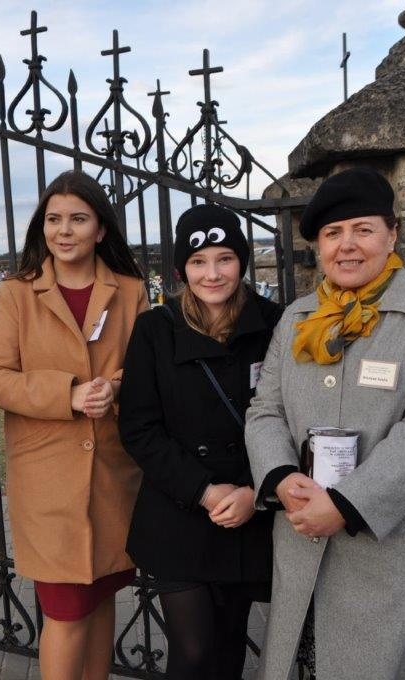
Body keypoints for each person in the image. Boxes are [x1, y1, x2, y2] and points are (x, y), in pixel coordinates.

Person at [245, 166, 405, 680]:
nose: (347, 245)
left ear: (392, 235)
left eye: (363, 229)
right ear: (319, 246)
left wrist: (346, 505)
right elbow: (265, 410)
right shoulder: (297, 318)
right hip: (305, 540)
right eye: (333, 233)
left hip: (396, 550)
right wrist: (281, 477)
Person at [0, 170, 148, 679]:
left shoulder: (131, 291)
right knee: (66, 612)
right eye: (53, 219)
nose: (64, 231)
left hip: (114, 477)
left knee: (101, 596)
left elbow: (147, 369)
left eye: (77, 219)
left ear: (101, 229)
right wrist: (65, 394)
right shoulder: (17, 294)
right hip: (47, 480)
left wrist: (116, 387)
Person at [117, 204, 282, 680]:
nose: (212, 274)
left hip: (248, 511)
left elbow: (290, 418)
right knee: (193, 654)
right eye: (198, 261)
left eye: (224, 258)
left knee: (229, 648)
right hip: (181, 511)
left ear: (242, 261)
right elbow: (139, 428)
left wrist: (255, 492)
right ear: (181, 269)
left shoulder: (275, 323)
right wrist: (204, 491)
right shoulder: (155, 329)